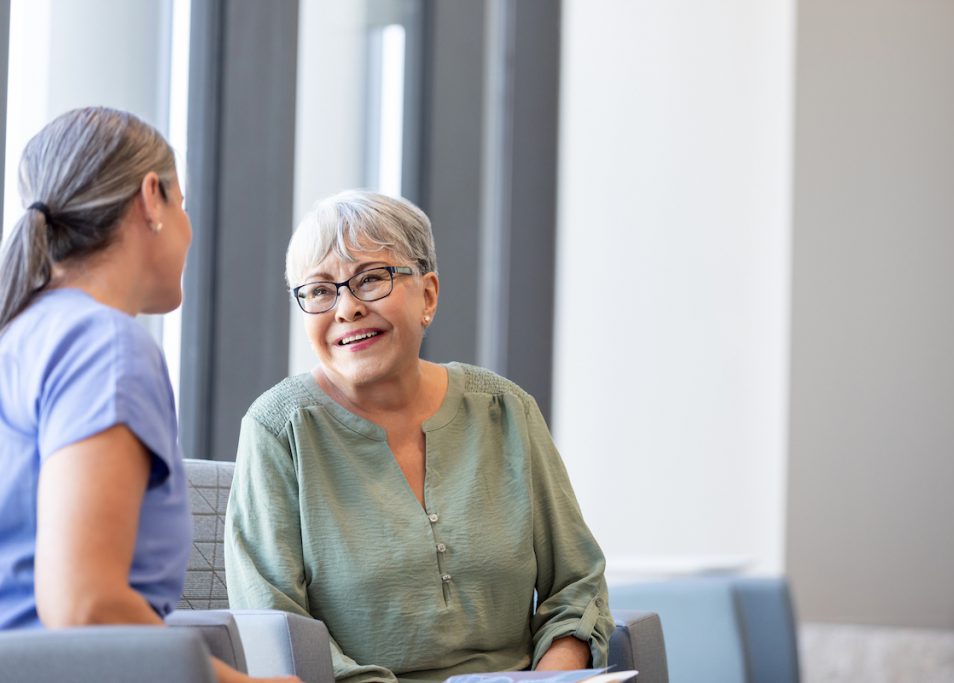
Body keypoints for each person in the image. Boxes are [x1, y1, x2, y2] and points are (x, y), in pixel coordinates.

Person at [225, 190, 615, 683]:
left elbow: (576, 586)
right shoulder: (278, 428)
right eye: (320, 291)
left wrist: (550, 680)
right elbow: (272, 628)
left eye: (370, 279)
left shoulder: (505, 410)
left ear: (428, 294)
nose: (346, 309)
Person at [0, 107, 298, 683]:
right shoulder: (103, 346)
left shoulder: (24, 335)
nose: (188, 228)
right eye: (182, 204)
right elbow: (82, 604)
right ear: (150, 199)